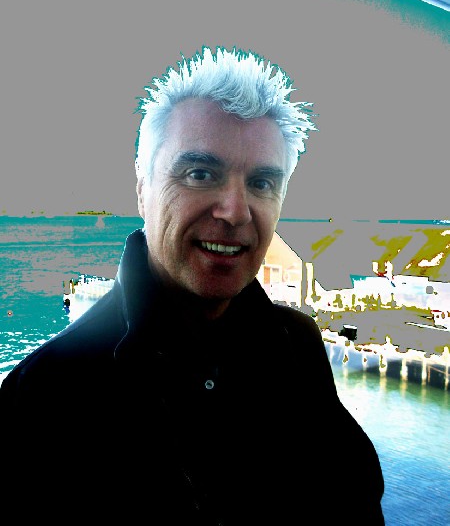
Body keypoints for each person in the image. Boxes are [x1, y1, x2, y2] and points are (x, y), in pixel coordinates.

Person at [0, 46, 385, 524]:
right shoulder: (45, 395)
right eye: (200, 174)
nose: (236, 211)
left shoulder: (297, 346)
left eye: (263, 183)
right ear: (142, 188)